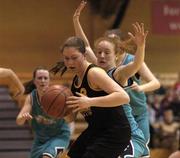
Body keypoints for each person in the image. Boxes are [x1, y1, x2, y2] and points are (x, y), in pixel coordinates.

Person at [72, 1, 148, 157]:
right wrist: (76, 20)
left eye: (106, 52)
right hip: (107, 132)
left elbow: (136, 65)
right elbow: (85, 46)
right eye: (98, 52)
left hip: (129, 134)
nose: (101, 56)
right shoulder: (95, 71)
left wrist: (140, 47)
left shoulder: (118, 74)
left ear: (117, 55)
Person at [52, 36, 131, 158]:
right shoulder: (75, 82)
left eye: (74, 58)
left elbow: (123, 97)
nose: (70, 62)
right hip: (96, 130)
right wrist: (59, 109)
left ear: (84, 55)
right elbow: (71, 118)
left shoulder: (94, 73)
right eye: (66, 58)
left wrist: (90, 101)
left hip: (115, 132)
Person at [104, 13, 161, 158]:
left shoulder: (133, 60)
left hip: (138, 112)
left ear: (120, 42)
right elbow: (86, 48)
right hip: (119, 115)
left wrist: (141, 88)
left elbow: (156, 83)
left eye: (112, 41)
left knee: (141, 151)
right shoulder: (104, 63)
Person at [16, 66, 71, 158]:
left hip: (59, 136)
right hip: (40, 139)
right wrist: (23, 117)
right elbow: (19, 121)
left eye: (45, 78)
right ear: (34, 81)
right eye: (39, 78)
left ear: (49, 80)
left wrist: (65, 111)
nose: (43, 80)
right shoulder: (31, 98)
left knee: (47, 156)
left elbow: (70, 119)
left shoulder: (58, 95)